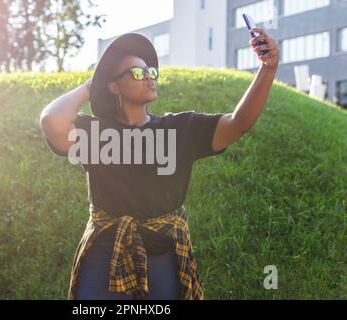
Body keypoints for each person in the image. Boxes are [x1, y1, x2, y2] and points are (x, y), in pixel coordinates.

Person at [40, 30, 279, 300]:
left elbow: (238, 123)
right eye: (138, 73)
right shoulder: (93, 132)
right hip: (105, 256)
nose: (149, 77)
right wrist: (89, 85)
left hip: (163, 257)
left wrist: (267, 70)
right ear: (113, 86)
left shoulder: (180, 129)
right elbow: (52, 121)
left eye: (151, 71)